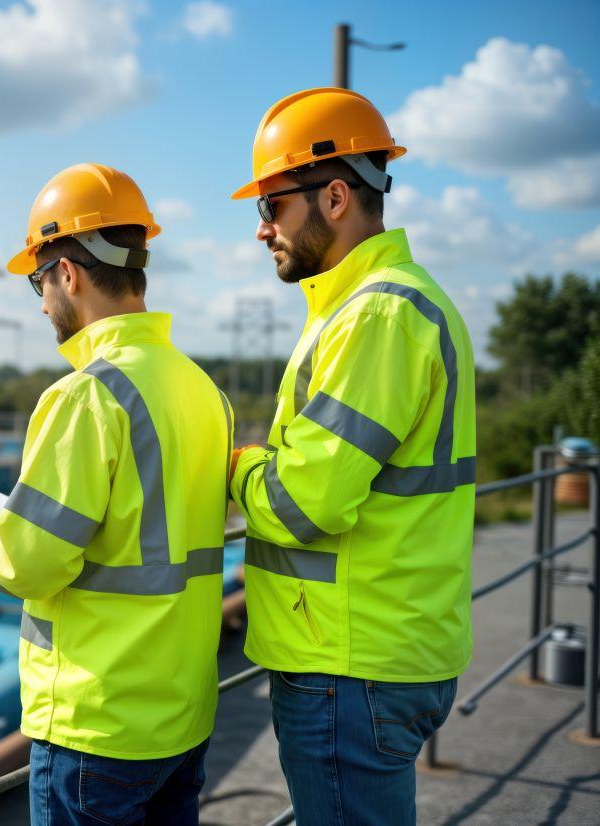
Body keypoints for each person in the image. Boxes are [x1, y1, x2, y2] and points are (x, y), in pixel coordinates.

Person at [0, 162, 232, 825]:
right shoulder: (200, 388)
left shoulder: (88, 394)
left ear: (68, 272)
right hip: (182, 714)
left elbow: (30, 562)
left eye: (37, 281)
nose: (39, 303)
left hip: (99, 725)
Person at [227, 88, 477, 825]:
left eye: (271, 207)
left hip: (350, 661)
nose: (261, 229)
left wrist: (234, 464)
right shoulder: (382, 305)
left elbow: (305, 502)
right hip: (377, 647)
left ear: (334, 196)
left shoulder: (376, 314)